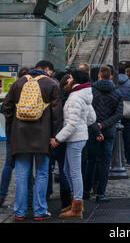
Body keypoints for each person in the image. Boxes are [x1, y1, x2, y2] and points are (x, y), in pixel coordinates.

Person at [1, 60, 62, 221]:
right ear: (46, 70)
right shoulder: (51, 84)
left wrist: (14, 124)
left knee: (21, 174)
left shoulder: (18, 83)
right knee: (42, 173)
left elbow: (6, 107)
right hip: (42, 136)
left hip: (20, 136)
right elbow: (56, 115)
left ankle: (19, 212)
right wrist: (54, 135)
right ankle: (39, 210)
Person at [50, 70, 97, 220]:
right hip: (78, 137)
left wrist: (57, 139)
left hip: (75, 139)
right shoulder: (82, 94)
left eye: (70, 77)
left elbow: (71, 125)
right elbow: (92, 118)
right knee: (68, 170)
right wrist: (82, 121)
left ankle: (77, 207)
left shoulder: (75, 97)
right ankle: (75, 202)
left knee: (75, 173)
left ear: (75, 80)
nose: (68, 79)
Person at [83, 66, 123, 203]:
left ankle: (86, 191)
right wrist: (104, 125)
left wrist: (96, 125)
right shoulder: (117, 93)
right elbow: (118, 114)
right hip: (109, 130)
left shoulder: (91, 91)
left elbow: (87, 111)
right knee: (105, 163)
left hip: (92, 129)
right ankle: (101, 193)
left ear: (99, 75)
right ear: (110, 76)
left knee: (91, 161)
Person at [0, 67, 31, 209]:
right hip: (27, 132)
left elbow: (4, 108)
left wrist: (12, 120)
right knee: (28, 164)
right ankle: (30, 197)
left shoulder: (13, 89)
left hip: (12, 130)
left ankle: (1, 195)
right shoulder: (31, 90)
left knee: (9, 163)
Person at [47, 73, 72, 212]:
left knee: (47, 167)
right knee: (64, 168)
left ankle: (46, 193)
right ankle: (66, 201)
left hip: (52, 136)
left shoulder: (54, 98)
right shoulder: (71, 98)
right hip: (64, 137)